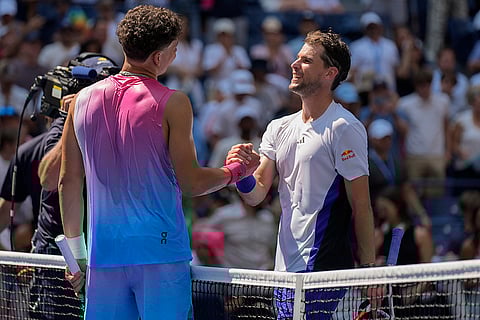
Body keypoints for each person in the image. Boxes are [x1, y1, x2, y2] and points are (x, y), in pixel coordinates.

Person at [58, 6, 259, 320]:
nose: (175, 56)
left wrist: (77, 257)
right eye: (174, 50)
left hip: (102, 256)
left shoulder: (80, 100)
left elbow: (68, 182)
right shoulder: (174, 101)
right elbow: (192, 183)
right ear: (157, 57)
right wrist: (236, 171)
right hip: (160, 254)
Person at [226, 29, 376, 319]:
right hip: (284, 273)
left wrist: (369, 274)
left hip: (325, 271)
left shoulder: (344, 127)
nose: (294, 64)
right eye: (297, 58)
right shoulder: (278, 127)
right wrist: (241, 174)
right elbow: (256, 194)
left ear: (329, 73)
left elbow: (361, 206)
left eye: (306, 61)